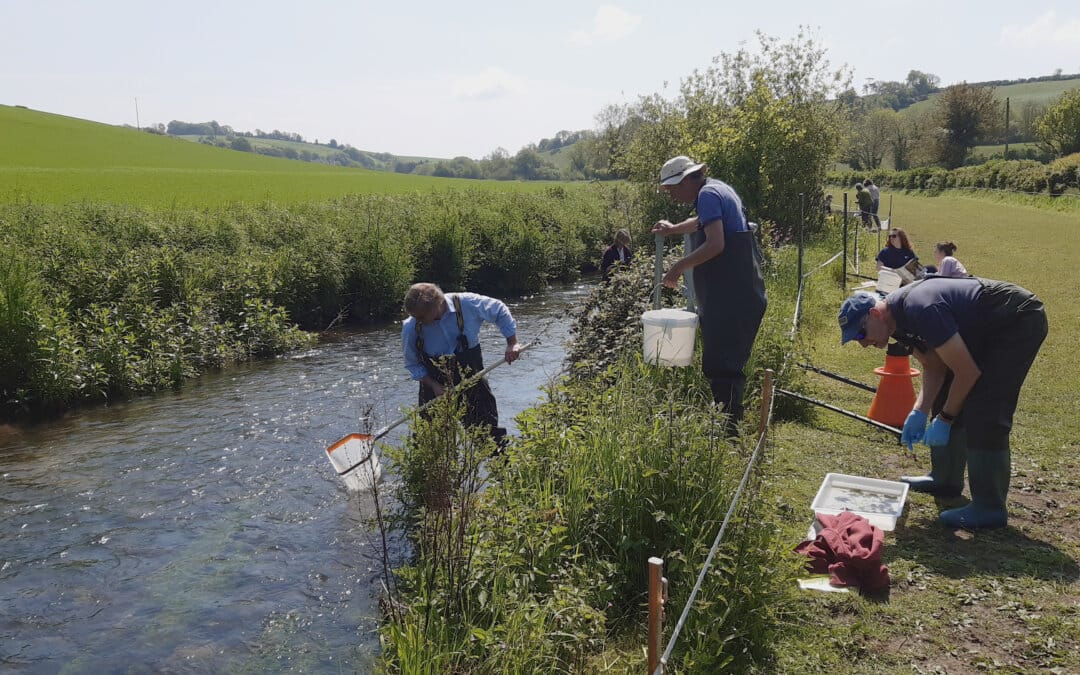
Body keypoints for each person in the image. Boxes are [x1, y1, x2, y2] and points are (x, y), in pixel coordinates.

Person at [838, 276, 1047, 529]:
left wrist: (946, 419)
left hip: (1016, 319)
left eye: (861, 333)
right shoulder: (896, 323)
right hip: (985, 328)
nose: (862, 343)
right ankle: (945, 478)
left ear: (874, 313)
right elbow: (935, 367)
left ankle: (990, 507)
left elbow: (967, 372)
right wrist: (919, 411)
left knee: (984, 406)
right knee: (946, 391)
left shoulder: (921, 308)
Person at [651, 155, 767, 433]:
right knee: (725, 362)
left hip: (730, 294)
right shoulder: (716, 189)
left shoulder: (708, 195)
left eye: (672, 188)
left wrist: (678, 267)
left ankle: (727, 433)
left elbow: (715, 244)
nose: (672, 195)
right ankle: (729, 424)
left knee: (722, 365)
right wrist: (675, 229)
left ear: (687, 179)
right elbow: (703, 223)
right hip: (740, 291)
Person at [401, 283, 522, 445]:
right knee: (428, 442)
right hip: (434, 389)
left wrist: (512, 342)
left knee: (488, 436)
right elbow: (412, 365)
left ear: (437, 305)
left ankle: (503, 468)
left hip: (472, 380)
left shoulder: (466, 304)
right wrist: (434, 385)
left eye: (421, 317)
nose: (417, 321)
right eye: (415, 317)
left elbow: (499, 310)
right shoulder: (411, 328)